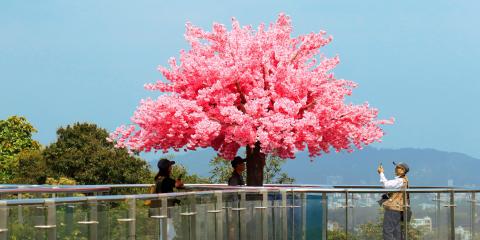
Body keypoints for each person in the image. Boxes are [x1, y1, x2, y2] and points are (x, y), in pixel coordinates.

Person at [377, 162, 410, 240]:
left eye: (398, 167)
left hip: (393, 208)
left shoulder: (400, 181)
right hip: (399, 208)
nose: (395, 169)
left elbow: (386, 185)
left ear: (403, 170)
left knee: (387, 230)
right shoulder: (403, 180)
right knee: (397, 231)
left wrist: (381, 173)